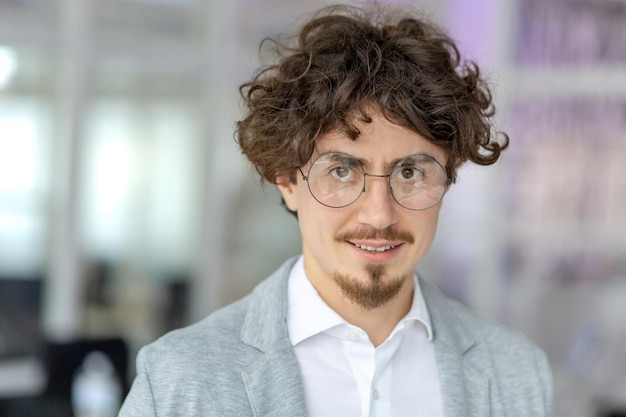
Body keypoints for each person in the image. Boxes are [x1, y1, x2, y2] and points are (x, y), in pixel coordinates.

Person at [118, 4, 553, 416]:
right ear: (287, 181)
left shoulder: (516, 372)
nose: (379, 216)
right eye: (343, 171)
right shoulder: (179, 380)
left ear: (448, 178)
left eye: (411, 173)